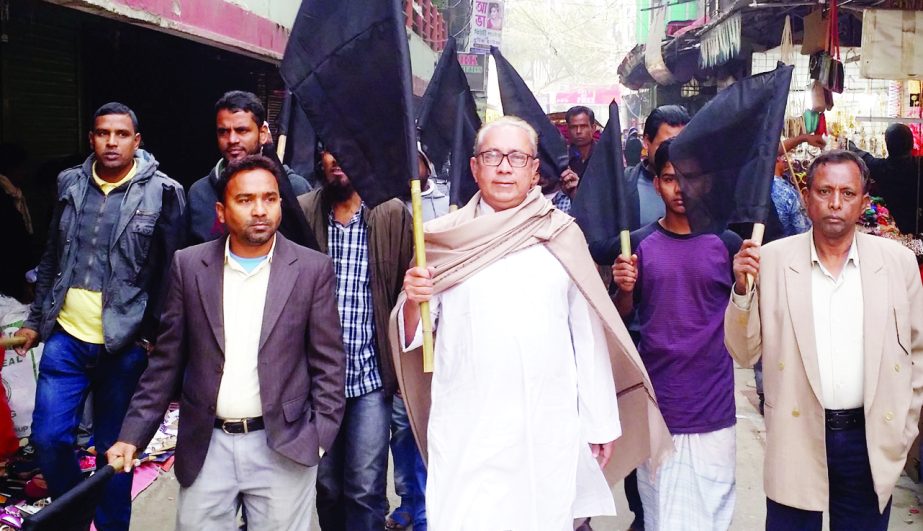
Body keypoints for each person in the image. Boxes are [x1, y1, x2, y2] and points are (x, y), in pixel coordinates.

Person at [394, 116, 672, 530]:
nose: (504, 167)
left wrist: (599, 421)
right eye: (492, 156)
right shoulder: (441, 239)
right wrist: (414, 301)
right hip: (468, 425)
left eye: (517, 157)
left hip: (544, 423)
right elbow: (416, 339)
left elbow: (588, 335)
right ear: (475, 168)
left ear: (533, 172)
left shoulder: (561, 234)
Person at [107, 154, 345, 529]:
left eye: (269, 198)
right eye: (246, 200)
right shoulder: (190, 266)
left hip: (284, 445)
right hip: (207, 444)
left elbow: (329, 363)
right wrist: (132, 435)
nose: (260, 210)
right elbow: (166, 362)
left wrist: (317, 439)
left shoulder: (311, 269)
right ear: (221, 210)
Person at [726, 150, 923, 530]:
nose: (835, 203)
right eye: (824, 191)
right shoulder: (771, 260)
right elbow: (742, 350)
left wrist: (904, 428)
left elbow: (917, 353)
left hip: (868, 440)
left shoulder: (896, 263)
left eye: (847, 193)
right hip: (797, 436)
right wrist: (741, 287)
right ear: (806, 197)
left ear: (864, 201)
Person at [13, 102, 186, 531]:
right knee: (48, 439)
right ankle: (75, 514)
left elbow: (171, 273)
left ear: (137, 141)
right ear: (91, 138)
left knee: (115, 451)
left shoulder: (164, 193)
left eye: (121, 134)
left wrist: (152, 338)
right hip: (67, 336)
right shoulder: (69, 183)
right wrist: (36, 319)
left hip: (124, 344)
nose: (112, 142)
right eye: (103, 133)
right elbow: (53, 254)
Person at [610, 138, 740, 530]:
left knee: (711, 514)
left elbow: (747, 322)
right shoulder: (639, 244)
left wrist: (750, 282)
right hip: (660, 405)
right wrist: (624, 288)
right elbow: (622, 318)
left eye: (690, 178)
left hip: (713, 407)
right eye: (669, 178)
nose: (680, 188)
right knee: (661, 515)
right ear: (656, 184)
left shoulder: (727, 243)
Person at [299, 149, 414, 530]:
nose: (338, 159)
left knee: (365, 488)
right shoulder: (303, 212)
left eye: (348, 148)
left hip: (369, 377)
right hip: (317, 381)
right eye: (330, 150)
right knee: (327, 485)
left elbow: (406, 293)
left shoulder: (392, 213)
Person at [187, 90, 312, 244]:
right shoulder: (200, 193)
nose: (232, 139)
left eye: (242, 130)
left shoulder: (294, 188)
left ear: (263, 133)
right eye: (223, 132)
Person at [624, 105, 691, 233]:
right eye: (665, 145)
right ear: (646, 141)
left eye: (681, 145)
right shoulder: (624, 185)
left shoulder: (704, 186)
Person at [851, 123, 923, 234]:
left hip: (900, 230)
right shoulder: (918, 165)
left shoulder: (881, 168)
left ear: (887, 145)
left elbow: (863, 156)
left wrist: (847, 143)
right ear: (912, 143)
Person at [550, 106, 596, 214]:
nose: (578, 131)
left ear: (593, 128)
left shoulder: (604, 156)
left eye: (583, 126)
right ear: (568, 129)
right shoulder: (561, 159)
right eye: (574, 127)